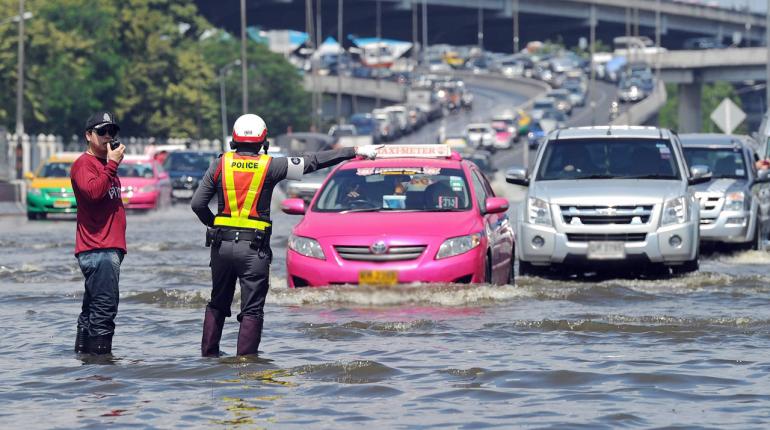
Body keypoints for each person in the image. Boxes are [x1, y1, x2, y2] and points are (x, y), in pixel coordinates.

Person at [191, 114, 379, 357]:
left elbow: (197, 204)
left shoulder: (219, 164)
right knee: (251, 311)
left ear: (234, 140)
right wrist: (354, 150)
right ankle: (246, 368)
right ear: (263, 141)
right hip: (253, 251)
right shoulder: (271, 166)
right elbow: (312, 161)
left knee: (217, 303)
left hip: (221, 247)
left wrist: (214, 227)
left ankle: (207, 360)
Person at [70, 111, 126, 355]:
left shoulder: (105, 167)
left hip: (107, 249)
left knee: (91, 313)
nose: (107, 137)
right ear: (88, 135)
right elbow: (93, 194)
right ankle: (102, 374)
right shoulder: (84, 164)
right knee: (104, 312)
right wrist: (112, 164)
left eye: (111, 132)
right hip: (98, 250)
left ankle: (85, 367)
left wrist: (110, 166)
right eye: (101, 132)